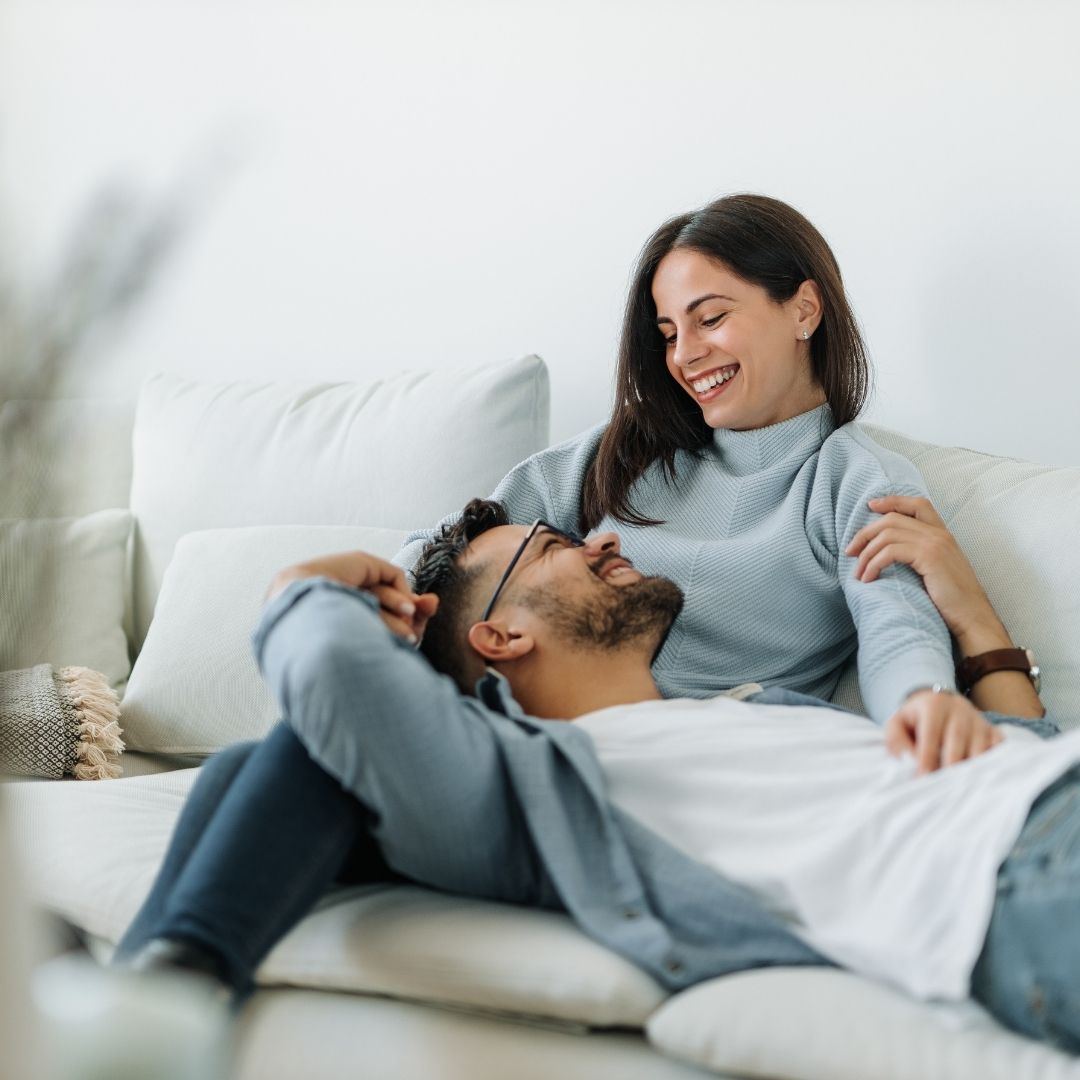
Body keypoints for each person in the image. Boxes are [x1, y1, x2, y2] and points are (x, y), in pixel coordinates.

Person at [115, 499, 1066, 1052]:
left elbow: (1014, 759)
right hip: (1020, 876)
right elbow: (323, 705)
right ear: (498, 636)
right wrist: (304, 593)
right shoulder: (532, 786)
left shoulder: (757, 709)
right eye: (560, 546)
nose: (606, 540)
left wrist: (974, 629)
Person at [394, 193, 1040, 771]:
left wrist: (919, 702)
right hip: (550, 736)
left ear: (804, 310)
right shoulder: (622, 452)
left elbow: (895, 624)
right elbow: (450, 551)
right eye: (669, 332)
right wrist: (361, 598)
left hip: (717, 755)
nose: (683, 354)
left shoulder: (854, 479)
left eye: (710, 318)